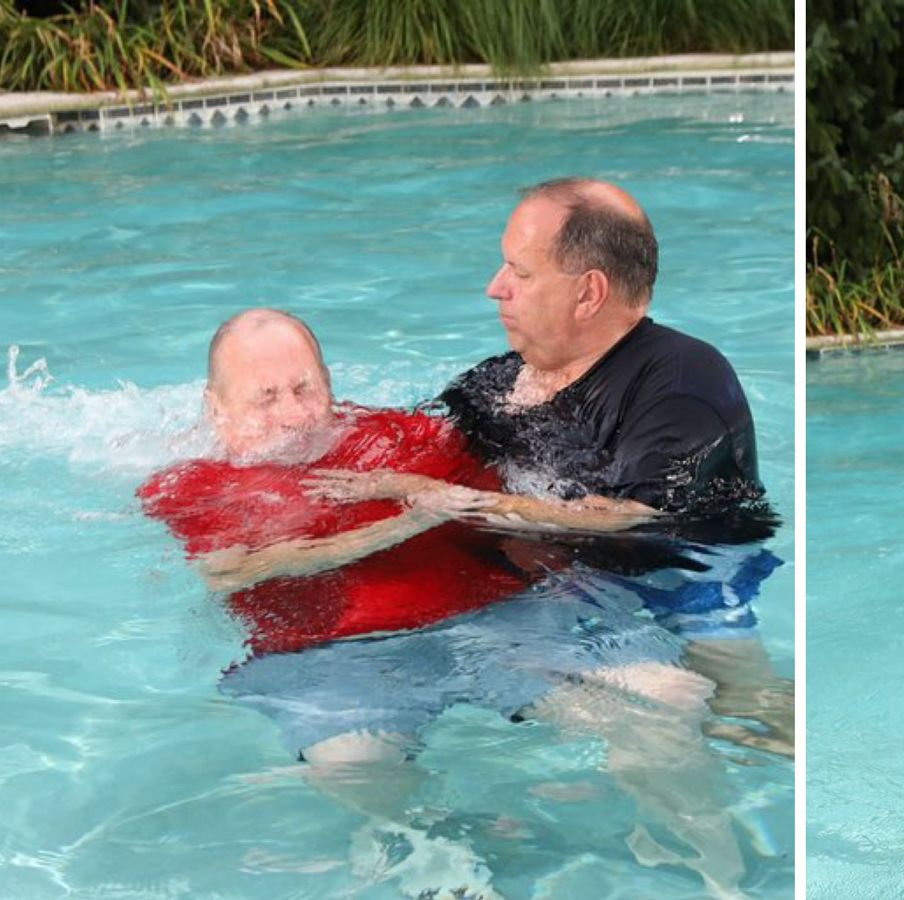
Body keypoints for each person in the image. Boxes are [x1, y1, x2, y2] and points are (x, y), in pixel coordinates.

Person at [140, 308, 750, 898]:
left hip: (499, 623)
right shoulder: (190, 484)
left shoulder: (407, 438)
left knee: (668, 695)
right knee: (352, 764)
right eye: (265, 399)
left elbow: (529, 503)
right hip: (332, 658)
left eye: (305, 390)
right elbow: (233, 572)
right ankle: (426, 852)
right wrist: (400, 524)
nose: (294, 416)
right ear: (215, 410)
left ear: (331, 386)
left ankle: (714, 868)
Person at [311, 176, 794, 757]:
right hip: (560, 582)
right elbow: (415, 446)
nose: (495, 289)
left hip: (685, 577)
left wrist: (443, 499)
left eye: (520, 272)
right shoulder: (497, 380)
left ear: (589, 293)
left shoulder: (681, 380)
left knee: (745, 710)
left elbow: (626, 520)